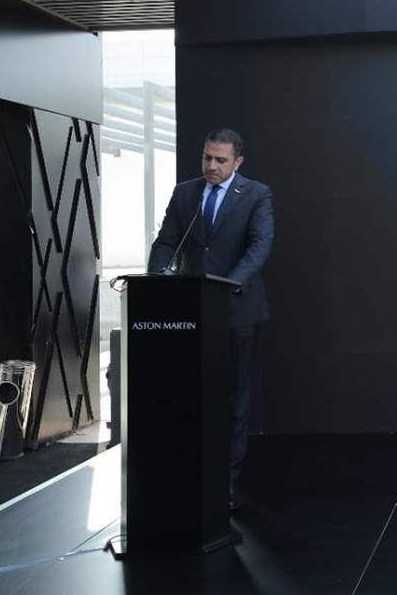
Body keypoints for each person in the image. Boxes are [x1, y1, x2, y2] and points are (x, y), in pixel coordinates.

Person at [148, 128, 274, 511]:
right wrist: (157, 280)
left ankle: (226, 483)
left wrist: (227, 285)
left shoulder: (256, 194)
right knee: (190, 395)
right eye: (207, 157)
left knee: (234, 397)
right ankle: (189, 476)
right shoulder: (185, 193)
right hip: (190, 309)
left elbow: (260, 245)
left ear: (238, 162)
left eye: (221, 160)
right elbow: (167, 241)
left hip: (237, 310)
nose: (211, 166)